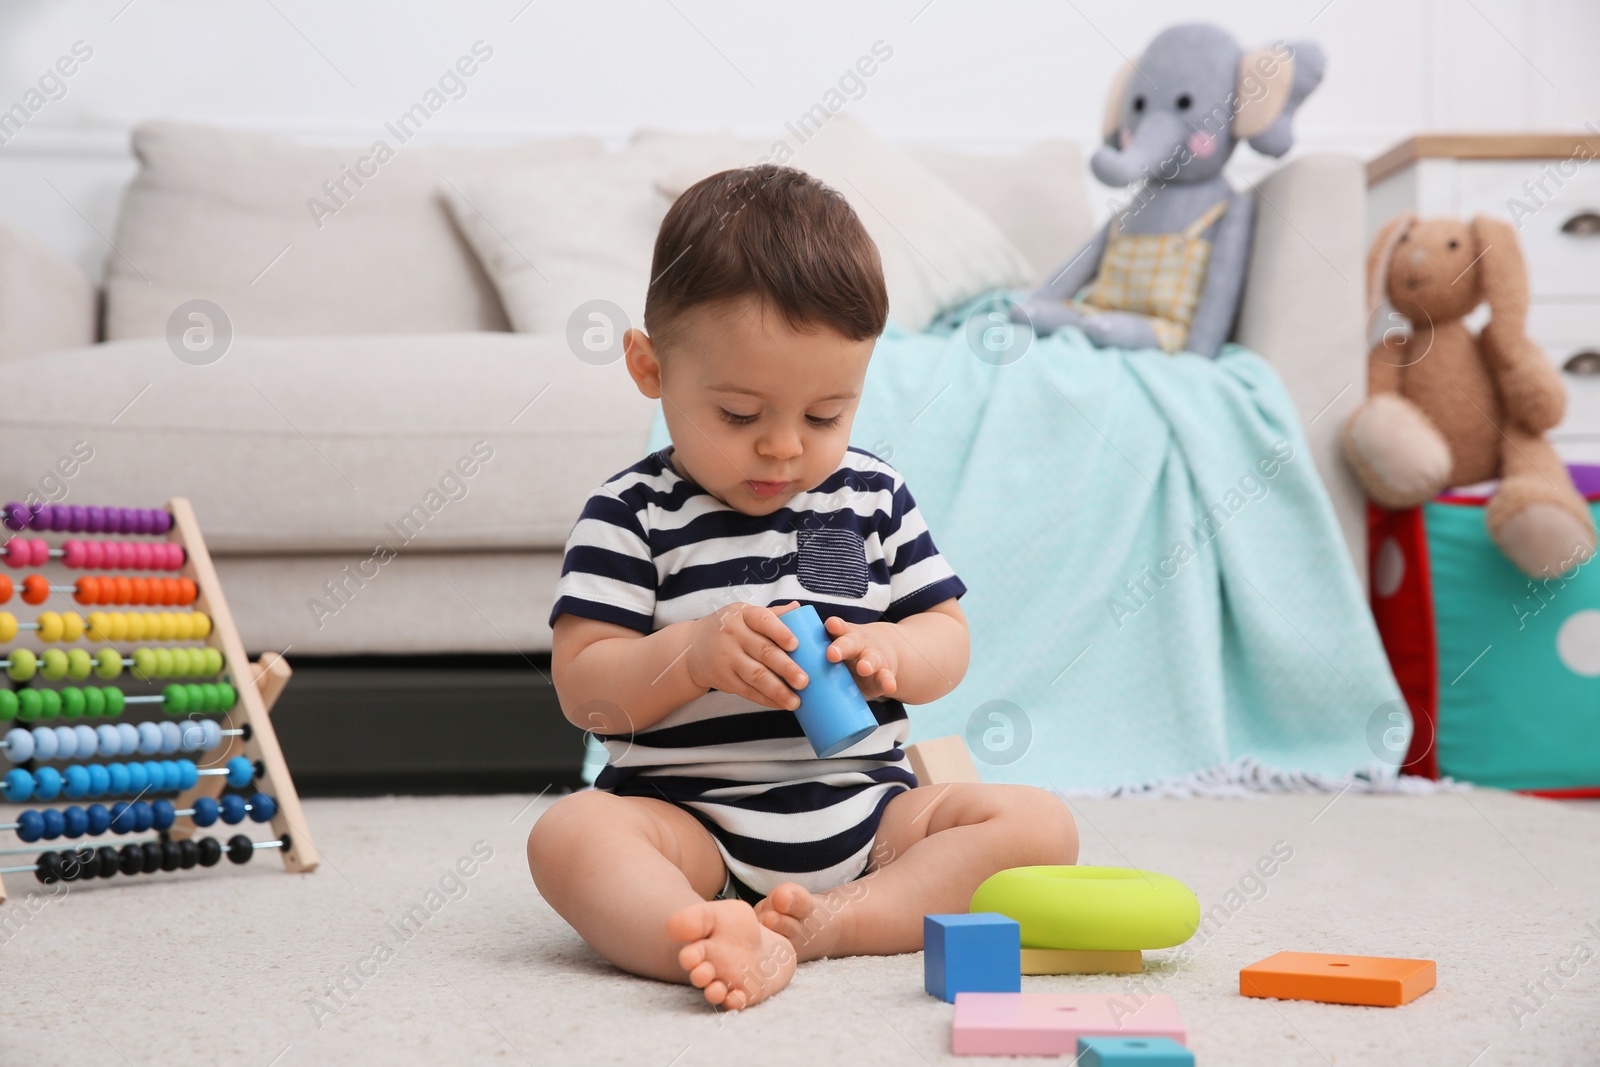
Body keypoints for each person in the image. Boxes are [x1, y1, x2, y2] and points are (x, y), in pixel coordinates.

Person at [528, 164, 1078, 1010]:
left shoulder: (873, 496)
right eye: (741, 416)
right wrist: (694, 653)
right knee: (569, 835)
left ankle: (841, 920)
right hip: (690, 822)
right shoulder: (629, 513)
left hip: (868, 816)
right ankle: (703, 932)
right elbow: (585, 690)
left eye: (825, 415)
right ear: (650, 366)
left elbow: (947, 633)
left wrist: (891, 648)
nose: (784, 448)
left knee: (1040, 824)